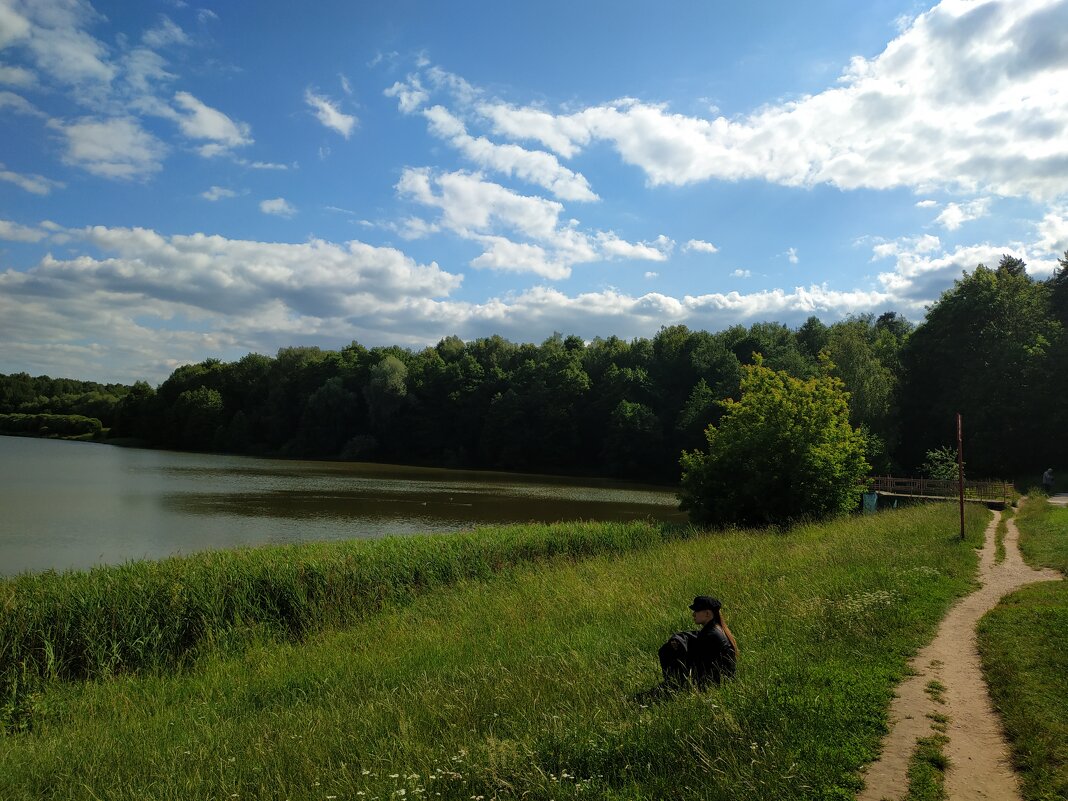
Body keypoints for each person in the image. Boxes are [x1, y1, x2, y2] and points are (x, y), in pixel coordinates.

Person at [656, 595, 738, 690]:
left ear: (707, 613)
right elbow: (694, 635)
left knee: (668, 651)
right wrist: (678, 639)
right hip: (719, 683)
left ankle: (673, 687)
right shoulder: (715, 629)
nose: (693, 614)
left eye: (696, 611)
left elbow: (694, 662)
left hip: (713, 685)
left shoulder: (711, 635)